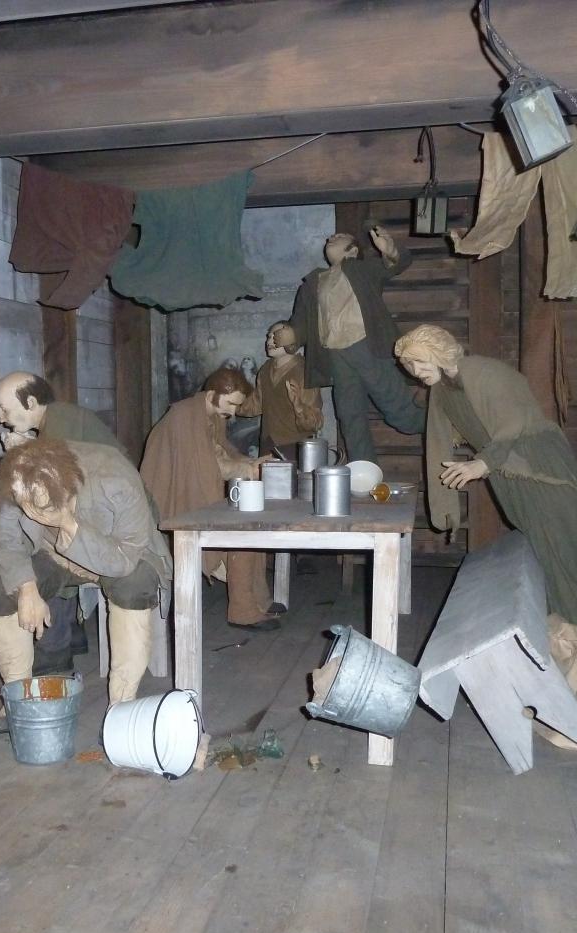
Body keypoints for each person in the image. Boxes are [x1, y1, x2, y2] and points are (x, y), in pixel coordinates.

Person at [395, 324, 577, 626]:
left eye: (420, 361)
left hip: (542, 472)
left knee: (564, 555)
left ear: (439, 352)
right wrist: (446, 510)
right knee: (541, 556)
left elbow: (514, 422)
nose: (416, 372)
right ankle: (560, 629)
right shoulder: (443, 391)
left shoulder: (483, 372)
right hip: (509, 476)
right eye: (410, 366)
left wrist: (482, 463)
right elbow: (438, 441)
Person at [0, 438, 171, 734]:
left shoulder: (116, 479)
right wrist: (26, 586)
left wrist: (68, 524)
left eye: (43, 509)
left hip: (119, 552)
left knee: (133, 587)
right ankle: (19, 697)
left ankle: (122, 707)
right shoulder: (14, 481)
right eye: (28, 508)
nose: (34, 516)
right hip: (51, 552)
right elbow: (2, 538)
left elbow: (126, 557)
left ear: (69, 494)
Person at [0, 372, 125, 679]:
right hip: (98, 520)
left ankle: (55, 647)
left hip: (112, 527)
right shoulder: (60, 419)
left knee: (43, 544)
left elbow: (59, 485)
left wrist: (20, 452)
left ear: (31, 402)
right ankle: (70, 634)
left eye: (5, 409)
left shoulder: (63, 423)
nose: (1, 418)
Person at [141, 367, 284, 632]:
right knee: (239, 532)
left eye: (237, 406)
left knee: (252, 524)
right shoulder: (184, 416)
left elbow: (222, 451)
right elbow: (204, 467)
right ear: (211, 395)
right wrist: (244, 469)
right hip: (173, 501)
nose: (233, 412)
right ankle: (243, 611)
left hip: (194, 490)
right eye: (230, 404)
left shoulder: (211, 414)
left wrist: (251, 462)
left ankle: (256, 599)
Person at [288, 224, 425, 463]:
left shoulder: (361, 269)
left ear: (352, 251)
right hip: (335, 355)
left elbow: (393, 265)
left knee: (399, 410)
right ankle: (364, 472)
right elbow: (301, 321)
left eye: (341, 236)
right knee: (350, 417)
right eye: (331, 236)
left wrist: (391, 251)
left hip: (366, 347)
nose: (332, 237)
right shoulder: (313, 283)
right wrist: (291, 335)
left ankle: (445, 424)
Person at [237, 321, 324, 459]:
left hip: (295, 446)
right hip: (267, 445)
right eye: (268, 336)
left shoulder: (304, 371)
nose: (269, 341)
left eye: (276, 336)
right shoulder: (265, 370)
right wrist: (230, 403)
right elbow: (256, 404)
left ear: (291, 340)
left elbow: (315, 422)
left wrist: (299, 406)